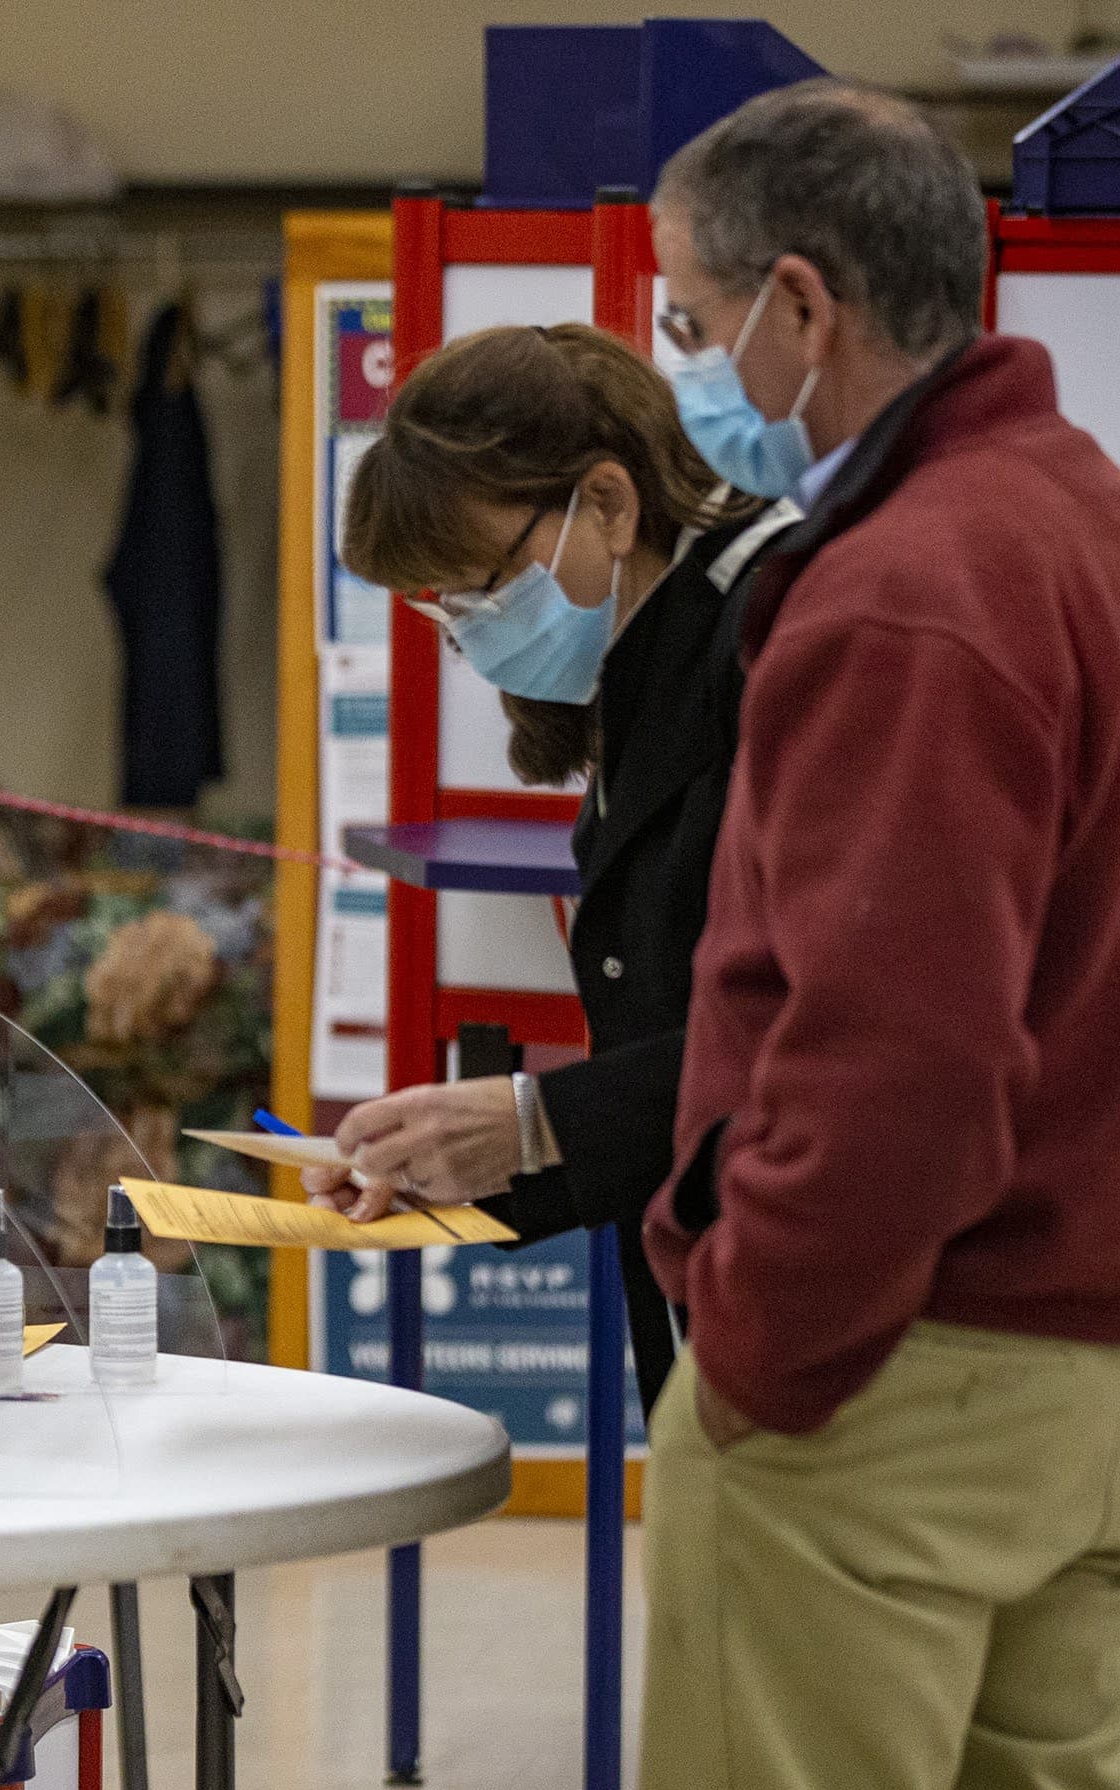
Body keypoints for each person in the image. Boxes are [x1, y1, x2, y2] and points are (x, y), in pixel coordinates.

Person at [635, 82, 1120, 1790]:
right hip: (1098, 1376)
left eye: (688, 314)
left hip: (886, 1393)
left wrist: (757, 1343)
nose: (681, 362)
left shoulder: (906, 598)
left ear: (801, 312)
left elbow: (895, 1059)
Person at [300, 323, 796, 1419]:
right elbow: (674, 1059)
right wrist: (462, 1162)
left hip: (846, 1319)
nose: (470, 632)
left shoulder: (773, 645)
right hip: (722, 1305)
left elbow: (815, 1031)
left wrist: (532, 1121)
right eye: (443, 608)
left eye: (479, 585)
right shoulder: (636, 695)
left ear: (610, 505)